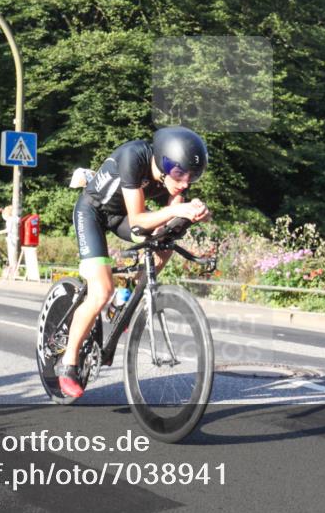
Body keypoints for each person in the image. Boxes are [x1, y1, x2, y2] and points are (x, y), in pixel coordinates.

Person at [59, 126, 211, 398]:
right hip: (93, 212)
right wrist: (177, 208)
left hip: (121, 217)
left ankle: (128, 298)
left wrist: (197, 213)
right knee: (101, 291)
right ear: (163, 163)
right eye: (179, 174)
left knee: (165, 242)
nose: (185, 183)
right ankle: (68, 364)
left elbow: (171, 221)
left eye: (193, 177)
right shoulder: (133, 157)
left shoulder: (175, 178)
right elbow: (140, 219)